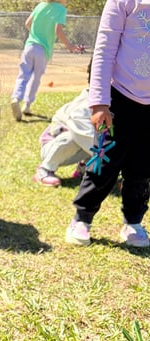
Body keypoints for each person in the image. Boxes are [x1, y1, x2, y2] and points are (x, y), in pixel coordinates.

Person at [65, 0, 150, 248]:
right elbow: (104, 50)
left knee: (143, 168)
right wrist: (99, 103)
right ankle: (82, 218)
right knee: (104, 162)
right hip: (117, 99)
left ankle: (133, 222)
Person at [11, 0, 79, 122]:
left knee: (23, 75)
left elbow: (27, 23)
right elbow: (58, 31)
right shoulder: (60, 9)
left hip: (29, 46)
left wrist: (36, 34)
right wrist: (69, 45)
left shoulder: (40, 5)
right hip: (42, 50)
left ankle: (16, 97)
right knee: (36, 78)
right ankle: (27, 105)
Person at [33, 58, 93, 187]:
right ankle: (45, 169)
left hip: (80, 147)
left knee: (102, 134)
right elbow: (87, 137)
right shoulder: (83, 107)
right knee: (75, 136)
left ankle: (86, 168)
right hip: (53, 146)